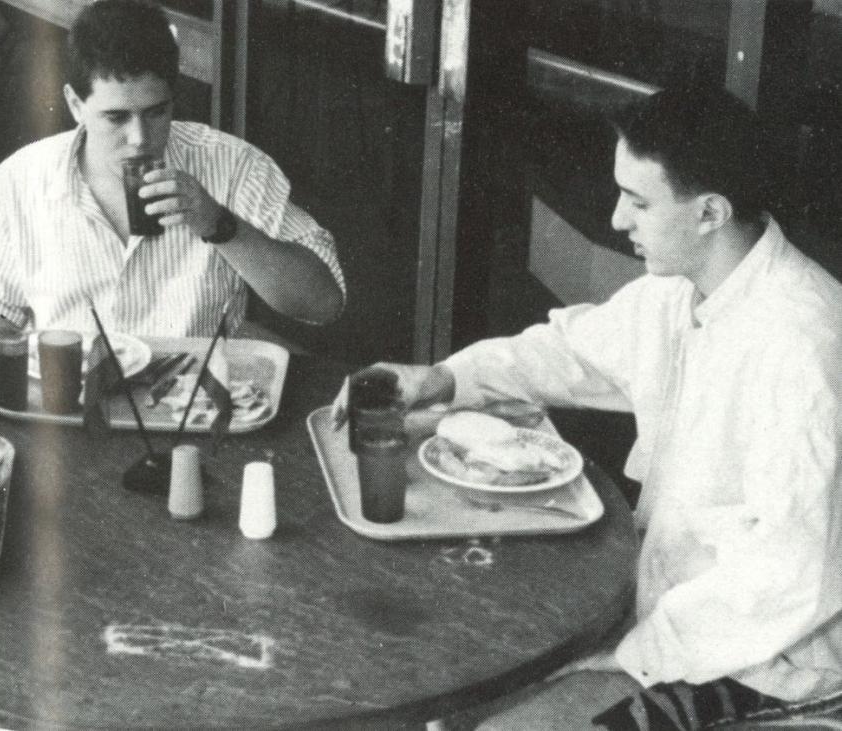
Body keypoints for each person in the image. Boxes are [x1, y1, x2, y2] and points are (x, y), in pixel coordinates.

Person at [337, 85, 842, 729]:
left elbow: (784, 582)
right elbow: (566, 352)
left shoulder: (805, 345)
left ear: (710, 212)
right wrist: (440, 379)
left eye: (638, 201)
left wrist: (622, 657)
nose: (616, 220)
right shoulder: (683, 291)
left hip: (767, 665)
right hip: (662, 615)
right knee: (436, 678)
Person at [0, 0, 345, 361]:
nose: (140, 139)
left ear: (173, 98)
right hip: (73, 408)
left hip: (191, 408)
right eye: (116, 117)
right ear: (75, 105)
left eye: (156, 112)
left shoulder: (232, 165)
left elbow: (325, 303)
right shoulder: (14, 184)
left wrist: (220, 225)